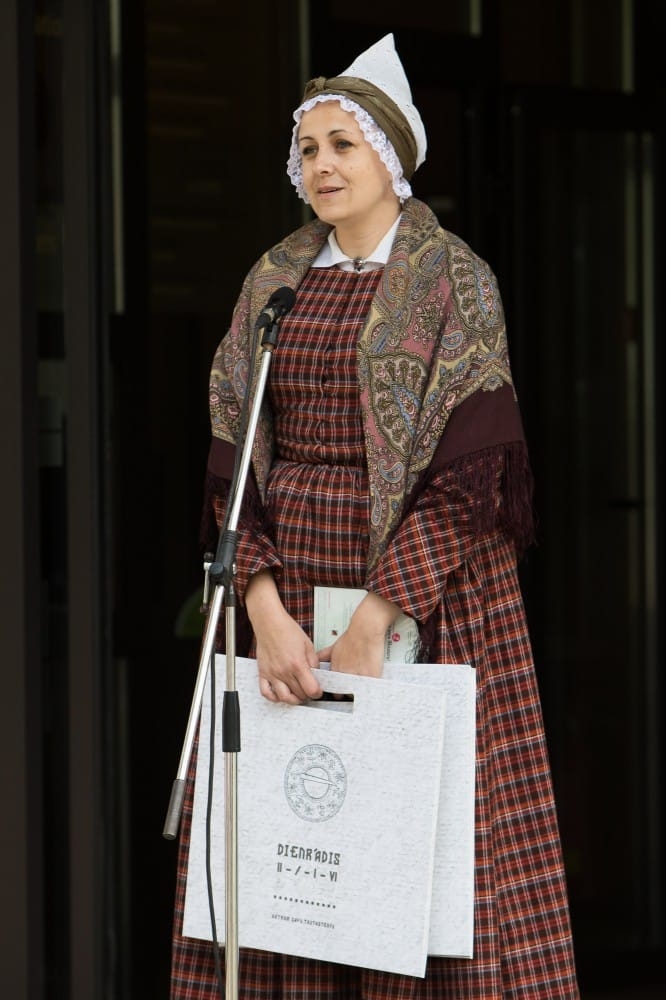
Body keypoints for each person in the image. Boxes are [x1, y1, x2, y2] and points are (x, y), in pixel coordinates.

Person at [170, 33, 580, 1000]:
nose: (321, 165)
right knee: (297, 848)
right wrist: (263, 610)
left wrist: (378, 613)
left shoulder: (452, 280)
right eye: (308, 149)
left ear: (391, 158)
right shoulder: (272, 281)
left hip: (423, 596)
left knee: (422, 856)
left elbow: (475, 473)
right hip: (290, 579)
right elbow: (235, 454)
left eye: (343, 145)